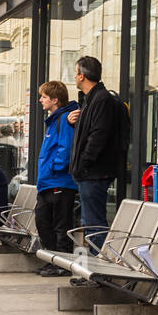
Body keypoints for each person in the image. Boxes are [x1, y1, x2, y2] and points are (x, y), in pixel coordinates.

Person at [66, 56, 128, 255]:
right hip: (90, 172)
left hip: (94, 173)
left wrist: (83, 164)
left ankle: (99, 270)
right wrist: (71, 122)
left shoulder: (101, 99)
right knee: (90, 222)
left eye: (76, 73)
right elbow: (90, 132)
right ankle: (95, 269)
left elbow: (98, 136)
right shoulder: (90, 100)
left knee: (94, 224)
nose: (75, 77)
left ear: (82, 76)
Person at [35, 80, 80, 278]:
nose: (40, 100)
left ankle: (62, 264)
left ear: (54, 100)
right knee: (43, 221)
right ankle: (52, 261)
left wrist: (54, 169)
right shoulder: (54, 121)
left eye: (44, 97)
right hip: (47, 182)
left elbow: (66, 148)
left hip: (59, 182)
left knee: (61, 226)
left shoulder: (63, 120)